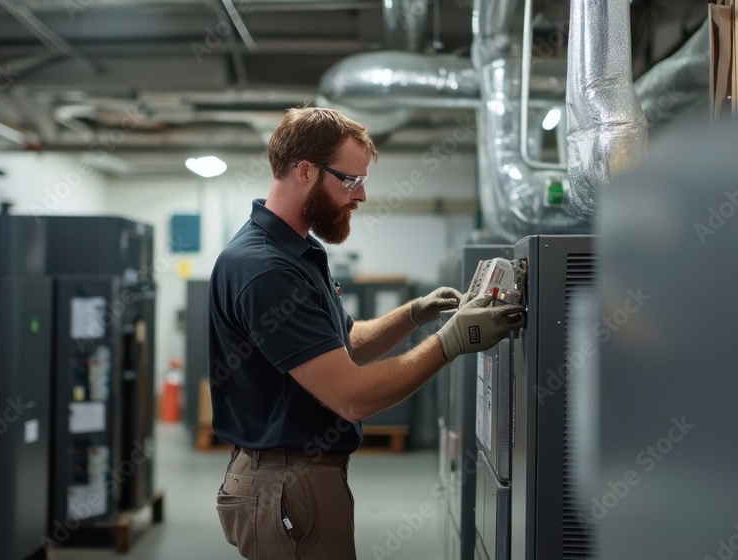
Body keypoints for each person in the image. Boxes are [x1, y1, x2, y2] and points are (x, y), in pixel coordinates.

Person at [209, 107, 524, 559]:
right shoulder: (264, 269)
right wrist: (452, 341)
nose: (361, 195)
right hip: (286, 481)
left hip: (299, 477)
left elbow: (344, 344)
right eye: (351, 180)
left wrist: (414, 314)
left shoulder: (298, 253)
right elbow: (351, 395)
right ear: (304, 171)